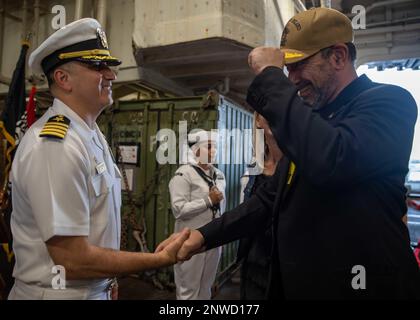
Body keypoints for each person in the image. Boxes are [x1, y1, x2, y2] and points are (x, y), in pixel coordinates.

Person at [157, 8, 420, 299]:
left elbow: (332, 159)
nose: (291, 78)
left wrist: (271, 75)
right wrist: (203, 236)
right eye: (286, 69)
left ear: (339, 57)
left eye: (299, 66)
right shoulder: (315, 120)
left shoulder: (389, 103)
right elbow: (270, 199)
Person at [8, 18, 189, 300]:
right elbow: (73, 260)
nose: (112, 75)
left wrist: (108, 280)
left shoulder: (90, 135)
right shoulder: (55, 145)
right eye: (97, 66)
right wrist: (158, 260)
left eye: (109, 65)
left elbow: (98, 226)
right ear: (63, 79)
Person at [169, 130, 226, 300]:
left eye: (215, 147)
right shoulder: (184, 174)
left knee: (205, 288)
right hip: (189, 241)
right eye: (209, 147)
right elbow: (178, 210)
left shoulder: (219, 175)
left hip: (213, 240)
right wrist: (208, 201)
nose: (213, 151)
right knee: (189, 290)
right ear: (196, 150)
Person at [238, 113, 283, 300]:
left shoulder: (302, 166)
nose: (274, 111)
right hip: (253, 262)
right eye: (267, 109)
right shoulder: (253, 168)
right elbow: (244, 213)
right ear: (257, 119)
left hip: (285, 266)